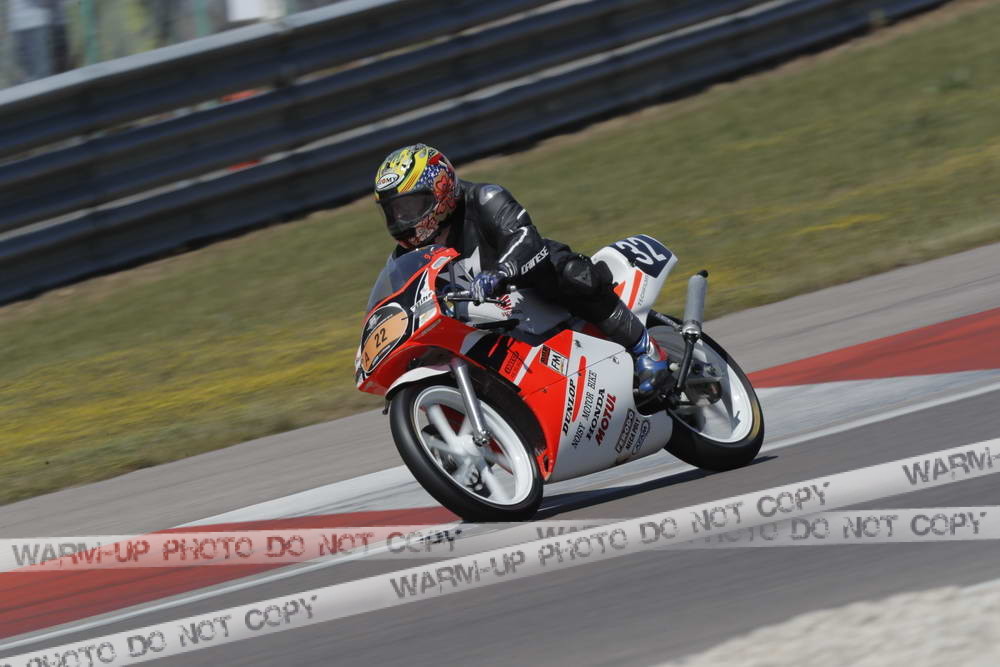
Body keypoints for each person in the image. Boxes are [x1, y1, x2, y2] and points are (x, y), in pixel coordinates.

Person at [373, 143, 672, 399]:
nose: (401, 220)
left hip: (528, 279)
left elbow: (525, 236)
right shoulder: (405, 256)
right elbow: (403, 300)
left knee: (573, 274)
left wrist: (500, 272)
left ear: (441, 187)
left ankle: (645, 349)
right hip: (486, 319)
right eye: (393, 212)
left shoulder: (484, 198)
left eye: (409, 207)